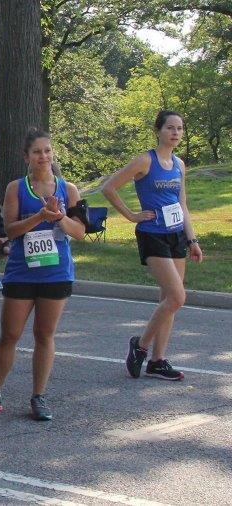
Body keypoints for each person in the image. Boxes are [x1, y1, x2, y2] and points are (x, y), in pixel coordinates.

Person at [0, 129, 86, 421]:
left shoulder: (68, 190)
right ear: (26, 156)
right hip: (22, 272)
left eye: (47, 151)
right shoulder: (16, 188)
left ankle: (38, 396)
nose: (43, 156)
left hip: (56, 272)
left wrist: (60, 218)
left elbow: (79, 232)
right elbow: (11, 230)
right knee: (10, 334)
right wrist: (40, 217)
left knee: (45, 334)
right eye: (37, 152)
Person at [103, 111, 203, 381]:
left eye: (180, 128)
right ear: (158, 130)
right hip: (152, 234)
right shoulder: (145, 161)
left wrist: (192, 240)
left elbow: (182, 205)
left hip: (176, 235)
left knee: (168, 300)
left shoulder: (179, 165)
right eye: (170, 128)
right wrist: (132, 215)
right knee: (177, 296)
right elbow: (109, 188)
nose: (176, 133)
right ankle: (141, 345)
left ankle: (158, 360)